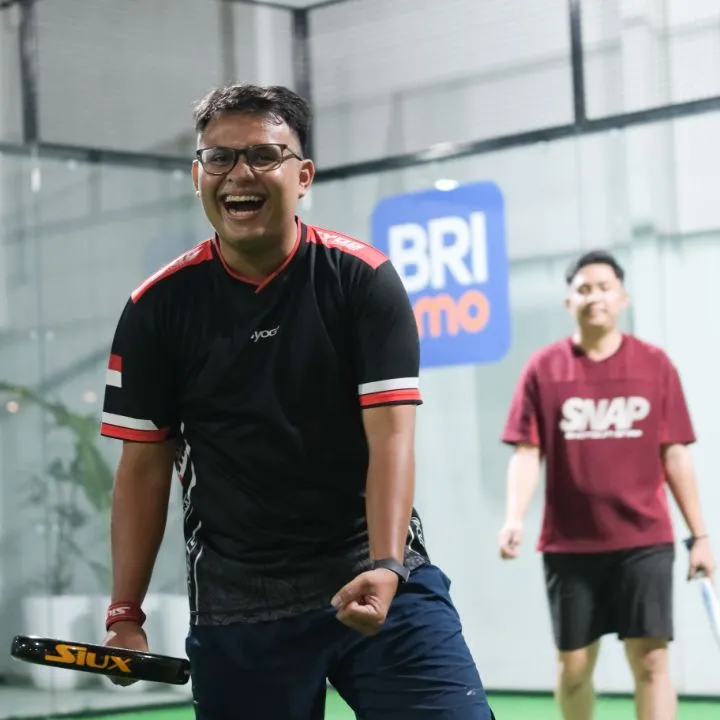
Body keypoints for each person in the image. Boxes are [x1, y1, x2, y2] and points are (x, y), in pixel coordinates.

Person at [99, 83, 495, 720]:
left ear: (303, 176)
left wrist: (387, 564)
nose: (240, 174)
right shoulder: (156, 309)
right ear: (197, 176)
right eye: (219, 158)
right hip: (237, 600)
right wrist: (125, 612)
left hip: (374, 568)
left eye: (263, 154)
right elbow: (143, 467)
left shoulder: (363, 280)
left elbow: (391, 437)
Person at [498, 250, 715, 720]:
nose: (594, 296)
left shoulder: (655, 365)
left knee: (652, 661)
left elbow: (675, 453)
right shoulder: (543, 368)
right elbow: (527, 451)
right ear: (568, 301)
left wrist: (700, 536)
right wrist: (514, 518)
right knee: (574, 667)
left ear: (622, 298)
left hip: (645, 542)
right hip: (570, 546)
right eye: (583, 289)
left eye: (604, 287)